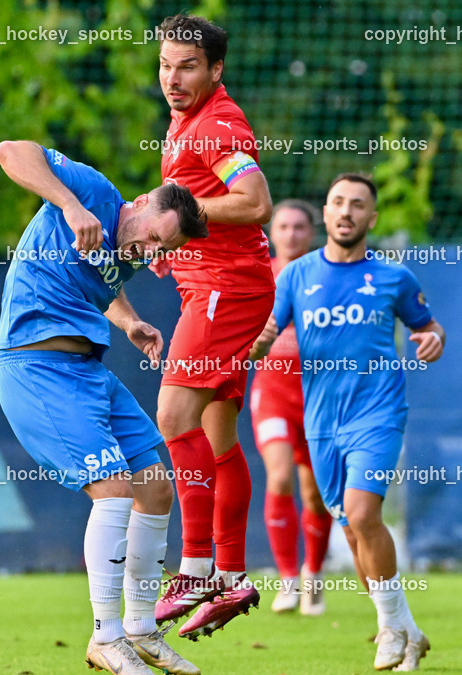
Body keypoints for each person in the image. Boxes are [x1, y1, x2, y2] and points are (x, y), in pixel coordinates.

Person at [0, 139, 208, 675]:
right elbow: (9, 151)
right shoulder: (94, 193)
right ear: (142, 202)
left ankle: (141, 628)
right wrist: (68, 204)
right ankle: (105, 637)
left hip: (88, 372)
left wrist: (129, 320)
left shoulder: (127, 256)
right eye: (154, 238)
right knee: (113, 488)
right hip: (38, 369)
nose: (151, 253)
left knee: (155, 486)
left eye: (163, 250)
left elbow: (104, 284)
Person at [252, 173, 443, 671]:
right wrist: (250, 345)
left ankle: (389, 629)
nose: (346, 211)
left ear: (370, 218)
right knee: (355, 532)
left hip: (377, 413)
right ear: (327, 212)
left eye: (357, 204)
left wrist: (433, 339)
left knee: (361, 514)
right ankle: (406, 629)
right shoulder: (296, 276)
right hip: (321, 422)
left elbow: (429, 327)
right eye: (338, 201)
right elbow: (266, 334)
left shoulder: (394, 277)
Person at [150, 13, 276, 641]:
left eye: (188, 67)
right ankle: (231, 575)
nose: (173, 79)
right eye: (165, 66)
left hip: (225, 291)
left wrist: (175, 217)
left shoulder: (216, 124)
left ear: (216, 69)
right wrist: (167, 238)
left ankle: (195, 569)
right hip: (217, 286)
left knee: (173, 418)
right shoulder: (185, 121)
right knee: (217, 437)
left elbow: (255, 202)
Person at [247, 200, 334, 616]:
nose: (291, 234)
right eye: (283, 226)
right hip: (273, 394)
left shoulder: (328, 277)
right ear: (271, 233)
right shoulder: (260, 275)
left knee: (315, 494)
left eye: (300, 227)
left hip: (319, 397)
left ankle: (313, 575)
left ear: (312, 233)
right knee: (279, 477)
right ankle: (287, 580)